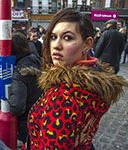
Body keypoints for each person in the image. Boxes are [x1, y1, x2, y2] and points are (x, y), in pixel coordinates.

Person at [27, 8, 128, 149]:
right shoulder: (95, 78)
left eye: (67, 37)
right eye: (53, 37)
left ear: (87, 44)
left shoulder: (63, 97)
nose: (56, 45)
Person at [8, 32, 43, 145]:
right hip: (42, 114)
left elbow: (17, 106)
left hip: (27, 121)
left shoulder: (19, 71)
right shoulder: (37, 60)